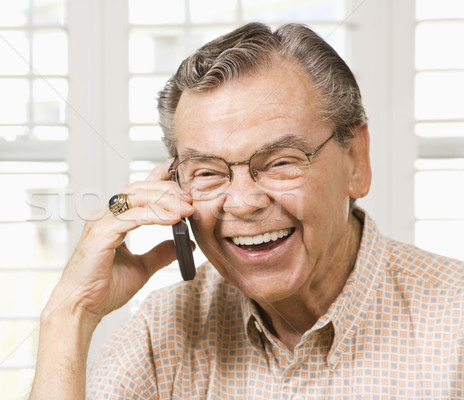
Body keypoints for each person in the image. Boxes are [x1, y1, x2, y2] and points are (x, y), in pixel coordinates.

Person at [29, 22, 464, 399]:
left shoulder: (454, 329)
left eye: (280, 162)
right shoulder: (165, 331)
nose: (242, 203)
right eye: (207, 173)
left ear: (356, 160)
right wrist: (70, 312)